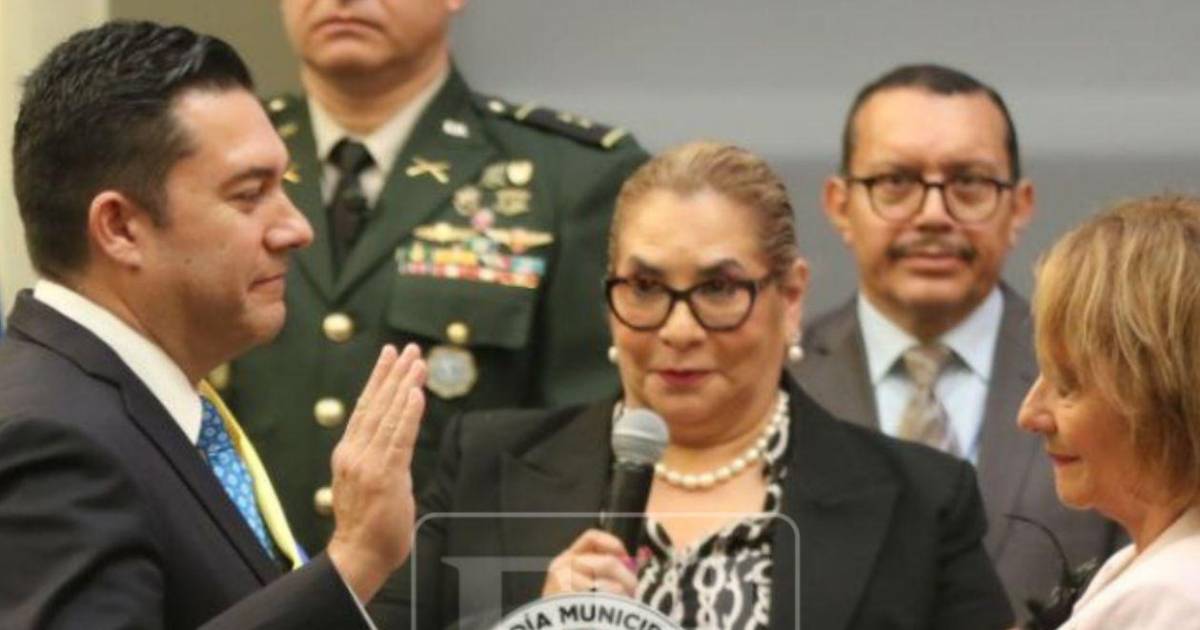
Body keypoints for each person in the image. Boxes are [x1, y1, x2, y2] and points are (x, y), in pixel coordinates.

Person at [369, 141, 1014, 629]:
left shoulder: (922, 501)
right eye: (645, 288)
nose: (678, 329)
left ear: (790, 297)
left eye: (719, 288)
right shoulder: (487, 466)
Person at [0, 21, 428, 628]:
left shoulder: (146, 404)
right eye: (249, 195)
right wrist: (354, 561)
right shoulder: (49, 439)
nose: (296, 228)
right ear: (120, 228)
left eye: (284, 187)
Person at [220, 0, 647, 553]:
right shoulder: (211, 165)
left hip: (457, 581)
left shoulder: (569, 176)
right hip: (236, 581)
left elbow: (577, 449)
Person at [792, 63, 1123, 615]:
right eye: (896, 182)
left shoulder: (1108, 384)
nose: (932, 215)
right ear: (839, 205)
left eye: (968, 183)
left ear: (1019, 206)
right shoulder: (781, 383)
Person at [1018, 195, 1200, 629]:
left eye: (1066, 384)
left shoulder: (1172, 598)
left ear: (1162, 394)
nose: (1029, 415)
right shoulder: (1144, 569)